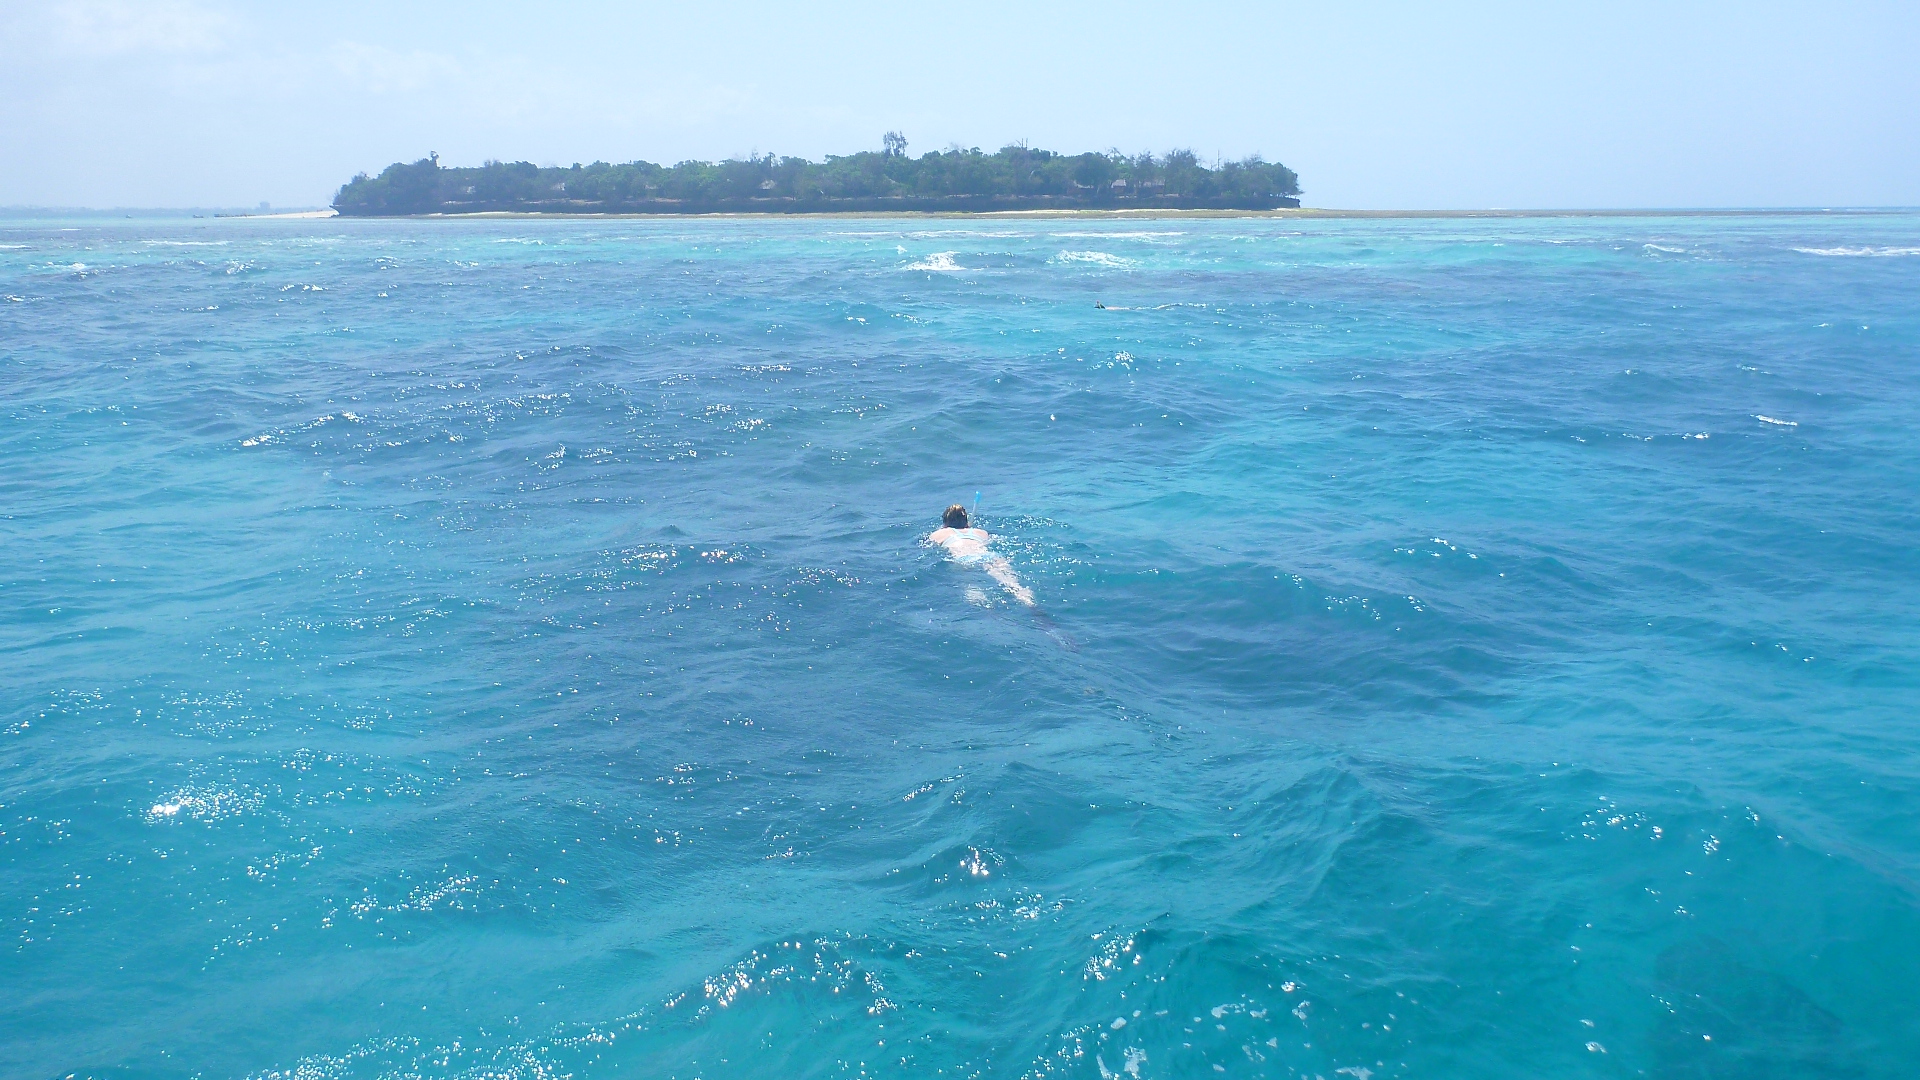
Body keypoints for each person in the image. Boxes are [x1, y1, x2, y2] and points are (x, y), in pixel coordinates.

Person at [928, 504, 1034, 606]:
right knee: (1011, 582)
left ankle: (982, 602)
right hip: (989, 556)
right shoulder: (981, 532)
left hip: (964, 558)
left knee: (972, 586)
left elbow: (930, 545)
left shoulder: (938, 534)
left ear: (945, 522)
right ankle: (1025, 598)